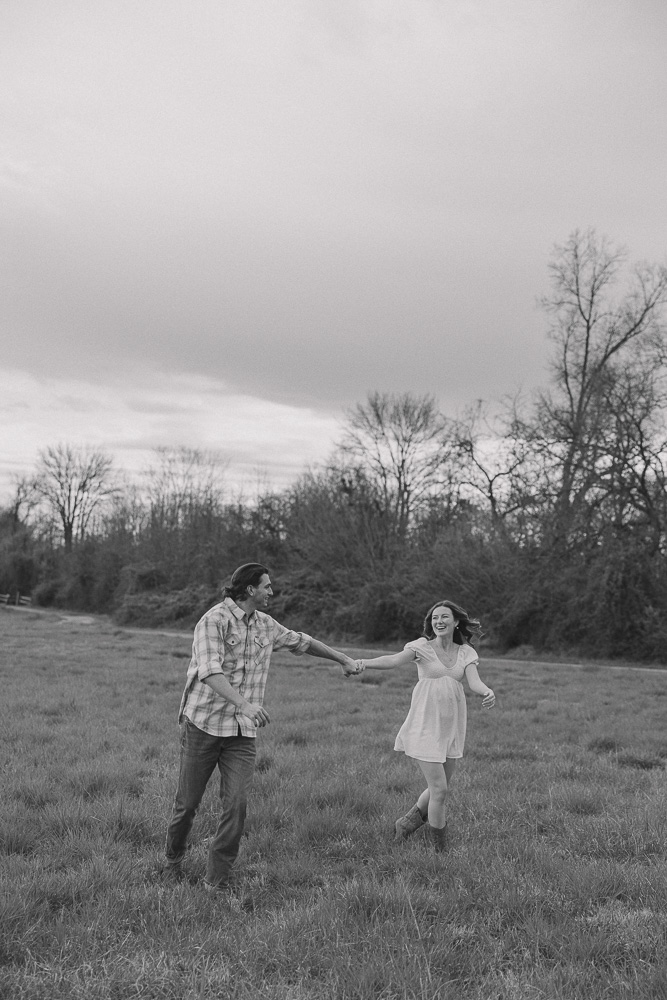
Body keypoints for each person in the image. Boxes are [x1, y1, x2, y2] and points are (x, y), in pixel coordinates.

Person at [164, 562, 359, 890]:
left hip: (241, 731)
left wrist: (342, 658)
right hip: (204, 726)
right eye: (267, 586)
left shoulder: (266, 625)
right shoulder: (213, 621)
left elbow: (303, 642)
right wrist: (244, 704)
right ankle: (173, 858)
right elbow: (209, 671)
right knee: (188, 804)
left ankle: (216, 881)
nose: (272, 591)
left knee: (237, 804)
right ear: (250, 589)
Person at [353, 599, 495, 850]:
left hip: (450, 727)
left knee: (439, 787)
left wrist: (487, 691)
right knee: (439, 790)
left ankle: (407, 823)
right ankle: (439, 850)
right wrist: (364, 662)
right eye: (434, 618)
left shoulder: (466, 652)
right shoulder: (422, 647)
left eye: (444, 617)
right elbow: (394, 660)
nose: (438, 622)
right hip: (424, 725)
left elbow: (474, 682)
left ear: (456, 621)